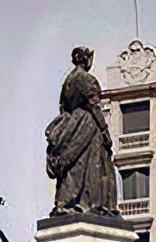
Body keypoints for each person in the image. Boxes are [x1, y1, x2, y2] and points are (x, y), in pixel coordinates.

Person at [45, 46, 117, 217]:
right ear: (87, 59)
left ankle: (68, 203)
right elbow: (94, 105)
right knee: (92, 164)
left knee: (74, 165)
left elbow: (62, 107)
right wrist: (105, 131)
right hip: (87, 123)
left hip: (71, 125)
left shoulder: (68, 81)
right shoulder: (86, 78)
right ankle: (90, 204)